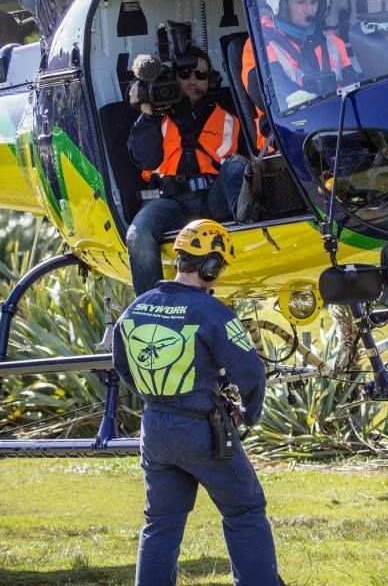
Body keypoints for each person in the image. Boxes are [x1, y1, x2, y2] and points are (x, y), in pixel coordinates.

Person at [113, 219, 284, 586]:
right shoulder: (214, 313)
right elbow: (251, 373)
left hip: (155, 430)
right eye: (219, 267)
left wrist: (154, 398)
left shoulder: (135, 309)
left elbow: (123, 368)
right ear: (210, 265)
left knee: (160, 523)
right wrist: (248, 413)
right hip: (201, 431)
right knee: (245, 510)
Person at [127, 46, 246, 295]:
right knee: (139, 235)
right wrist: (147, 112)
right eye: (186, 73)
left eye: (201, 75)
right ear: (175, 77)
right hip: (172, 201)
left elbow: (226, 163)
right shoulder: (156, 117)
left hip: (213, 200)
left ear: (210, 80)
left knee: (238, 165)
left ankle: (248, 221)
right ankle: (152, 305)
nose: (193, 80)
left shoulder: (226, 119)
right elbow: (146, 160)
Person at [242, 0, 355, 148]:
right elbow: (270, 95)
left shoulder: (333, 42)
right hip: (286, 138)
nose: (309, 10)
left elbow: (354, 84)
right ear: (282, 4)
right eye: (300, 2)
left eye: (313, 2)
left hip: (338, 130)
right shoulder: (260, 44)